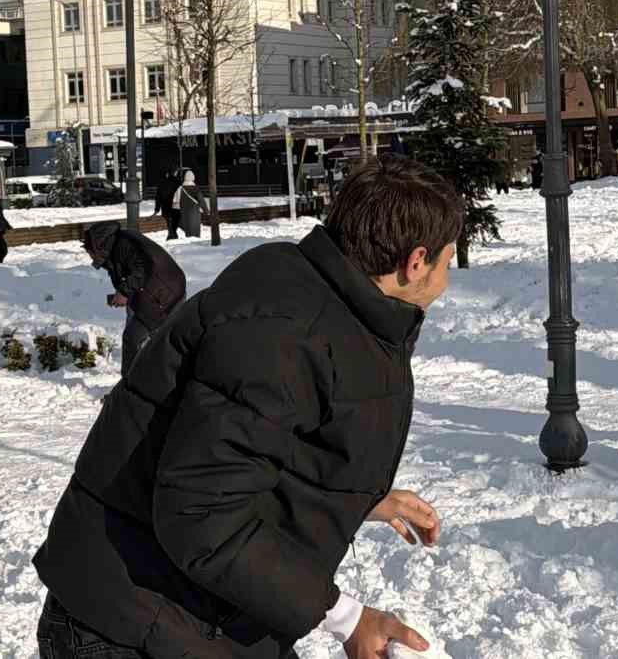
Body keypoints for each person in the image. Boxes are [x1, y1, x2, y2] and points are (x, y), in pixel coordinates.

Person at [34, 155, 459, 658]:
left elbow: (258, 445)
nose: (447, 278)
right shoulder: (284, 332)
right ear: (416, 262)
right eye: (447, 262)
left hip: (195, 611)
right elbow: (203, 513)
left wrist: (349, 498)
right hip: (132, 619)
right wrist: (346, 618)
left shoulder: (326, 302)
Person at [80, 220, 187, 375]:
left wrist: (124, 292)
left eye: (89, 252)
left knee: (133, 339)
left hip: (164, 294)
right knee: (155, 342)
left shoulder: (122, 245)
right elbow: (130, 275)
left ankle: (129, 388)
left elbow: (143, 268)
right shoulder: (115, 247)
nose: (90, 257)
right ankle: (149, 381)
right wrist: (122, 294)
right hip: (159, 292)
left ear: (98, 245)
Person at [154, 169, 182, 241]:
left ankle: (171, 233)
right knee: (175, 219)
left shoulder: (162, 182)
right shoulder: (178, 182)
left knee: (168, 219)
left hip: (165, 205)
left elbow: (158, 196)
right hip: (175, 205)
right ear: (174, 173)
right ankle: (173, 233)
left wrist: (157, 208)